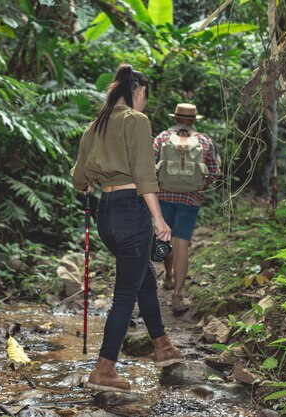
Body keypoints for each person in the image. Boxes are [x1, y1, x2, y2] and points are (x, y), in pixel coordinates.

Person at [71, 64, 184, 392]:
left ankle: (162, 346)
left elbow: (79, 179)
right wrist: (160, 220)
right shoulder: (137, 121)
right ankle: (104, 368)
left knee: (143, 281)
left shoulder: (95, 125)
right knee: (124, 295)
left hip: (106, 216)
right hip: (132, 213)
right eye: (145, 97)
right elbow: (144, 174)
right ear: (139, 92)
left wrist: (97, 176)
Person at [153, 103, 220, 315]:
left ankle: (168, 275)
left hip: (163, 197)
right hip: (190, 200)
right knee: (181, 244)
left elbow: (150, 166)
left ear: (175, 119)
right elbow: (214, 172)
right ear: (193, 121)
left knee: (166, 237)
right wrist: (201, 186)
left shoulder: (161, 139)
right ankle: (178, 295)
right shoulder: (204, 141)